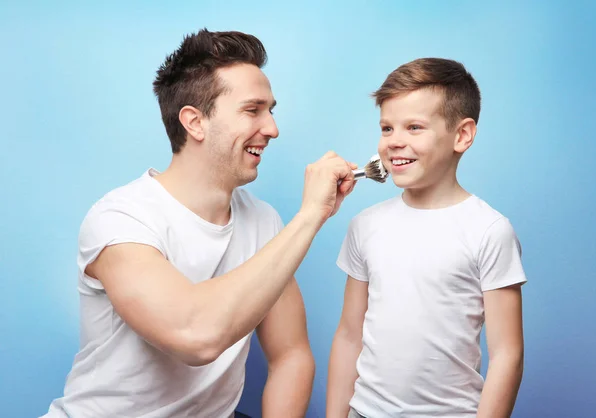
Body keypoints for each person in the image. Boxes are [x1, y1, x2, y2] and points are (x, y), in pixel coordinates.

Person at [42, 28, 357, 418]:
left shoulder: (263, 221)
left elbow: (291, 356)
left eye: (271, 110)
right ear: (194, 122)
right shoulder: (120, 219)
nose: (272, 128)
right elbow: (195, 336)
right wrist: (311, 215)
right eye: (252, 109)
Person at [326, 58, 527, 418]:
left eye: (414, 127)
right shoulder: (365, 225)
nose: (394, 142)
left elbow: (507, 354)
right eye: (387, 128)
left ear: (462, 135)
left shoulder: (489, 231)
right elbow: (348, 335)